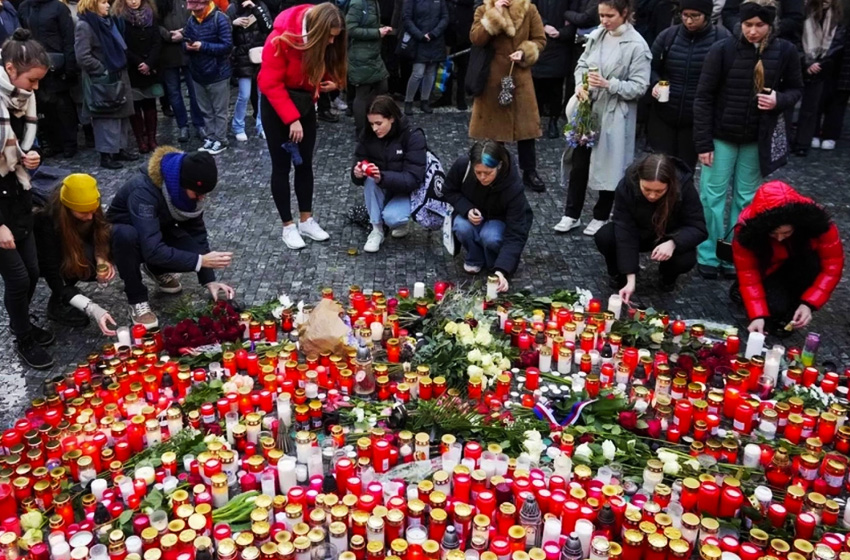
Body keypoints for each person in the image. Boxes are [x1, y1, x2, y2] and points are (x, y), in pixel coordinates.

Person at [692, 0, 802, 280]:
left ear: (770, 26)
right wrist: (703, 143)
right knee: (711, 197)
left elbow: (796, 89)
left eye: (759, 25)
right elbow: (704, 97)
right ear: (740, 24)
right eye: (748, 25)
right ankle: (707, 253)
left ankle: (735, 254)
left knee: (746, 200)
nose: (753, 31)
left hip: (756, 139)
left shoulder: (786, 51)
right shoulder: (723, 49)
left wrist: (779, 100)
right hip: (721, 137)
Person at [107, 146, 235, 328]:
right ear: (182, 184)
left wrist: (209, 280)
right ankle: (136, 300)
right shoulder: (142, 191)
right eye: (198, 194)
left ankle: (156, 269)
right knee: (127, 237)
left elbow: (196, 231)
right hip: (124, 239)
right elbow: (151, 248)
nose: (201, 198)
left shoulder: (182, 190)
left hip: (155, 230)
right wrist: (200, 261)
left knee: (191, 249)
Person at [554, 0, 651, 235]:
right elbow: (582, 64)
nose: (604, 21)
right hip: (589, 110)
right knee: (579, 162)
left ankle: (601, 215)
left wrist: (610, 85)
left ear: (625, 13)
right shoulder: (598, 34)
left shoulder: (637, 45)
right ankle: (571, 213)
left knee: (610, 164)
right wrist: (580, 85)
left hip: (615, 113)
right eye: (601, 15)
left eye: (609, 16)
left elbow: (640, 86)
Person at [258, 3, 346, 249]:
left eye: (334, 37)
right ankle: (288, 226)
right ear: (317, 29)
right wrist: (291, 119)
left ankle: (306, 220)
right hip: (277, 107)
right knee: (281, 166)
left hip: (304, 103)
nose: (330, 42)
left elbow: (311, 68)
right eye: (328, 36)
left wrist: (324, 82)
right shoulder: (279, 39)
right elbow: (269, 83)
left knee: (305, 164)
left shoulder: (318, 39)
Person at [0, 30, 54, 369]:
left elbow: (26, 147)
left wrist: (33, 156)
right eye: (32, 81)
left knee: (32, 271)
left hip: (18, 195)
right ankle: (22, 336)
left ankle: (22, 322)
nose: (35, 89)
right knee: (18, 278)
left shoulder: (23, 102)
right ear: (9, 69)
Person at [732, 181, 844, 334]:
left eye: (786, 233)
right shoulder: (747, 230)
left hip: (801, 266)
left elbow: (832, 266)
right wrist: (758, 315)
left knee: (811, 266)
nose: (779, 239)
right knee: (774, 308)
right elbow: (748, 272)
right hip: (767, 269)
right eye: (773, 234)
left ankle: (793, 308)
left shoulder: (819, 225)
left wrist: (808, 304)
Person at [594, 153, 708, 303]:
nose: (652, 196)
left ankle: (667, 276)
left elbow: (698, 227)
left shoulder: (684, 188)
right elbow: (625, 229)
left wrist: (673, 242)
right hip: (638, 233)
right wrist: (630, 277)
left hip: (668, 235)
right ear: (639, 181)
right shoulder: (626, 186)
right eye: (646, 189)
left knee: (685, 259)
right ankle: (618, 273)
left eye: (659, 191)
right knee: (606, 236)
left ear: (670, 185)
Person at [468, 0, 547, 193]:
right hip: (492, 78)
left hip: (519, 77)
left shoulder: (529, 9)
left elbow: (540, 39)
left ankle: (529, 171)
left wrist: (524, 52)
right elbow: (476, 38)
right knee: (494, 130)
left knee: (526, 129)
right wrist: (494, 14)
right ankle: (494, 169)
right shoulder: (483, 9)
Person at [646, 0, 729, 168]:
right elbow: (650, 68)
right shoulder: (668, 36)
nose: (689, 21)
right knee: (661, 168)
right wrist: (654, 83)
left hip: (696, 119)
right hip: (664, 114)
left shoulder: (722, 40)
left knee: (685, 170)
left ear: (706, 15)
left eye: (695, 16)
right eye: (685, 15)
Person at [443, 140, 533, 292]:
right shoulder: (462, 165)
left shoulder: (513, 187)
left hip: (499, 221)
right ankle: (475, 256)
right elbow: (449, 190)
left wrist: (502, 270)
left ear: (499, 167)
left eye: (488, 173)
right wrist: (467, 209)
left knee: (491, 236)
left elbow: (516, 233)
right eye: (478, 173)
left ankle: (494, 263)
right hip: (473, 214)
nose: (482, 178)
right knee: (460, 225)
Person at [34, 174, 117, 335]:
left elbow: (100, 230)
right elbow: (51, 269)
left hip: (72, 249)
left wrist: (102, 260)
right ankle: (60, 300)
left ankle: (69, 289)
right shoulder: (46, 220)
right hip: (42, 256)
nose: (90, 217)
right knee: (71, 266)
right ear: (68, 209)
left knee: (88, 261)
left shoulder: (89, 208)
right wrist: (92, 308)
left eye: (93, 211)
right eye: (83, 213)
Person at [351, 95, 426, 253]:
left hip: (407, 191)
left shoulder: (413, 136)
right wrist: (357, 173)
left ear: (391, 118)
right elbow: (358, 163)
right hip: (381, 186)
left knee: (393, 218)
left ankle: (400, 222)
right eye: (371, 124)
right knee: (369, 179)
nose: (374, 129)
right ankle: (376, 230)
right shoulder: (368, 135)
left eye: (379, 123)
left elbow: (414, 178)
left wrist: (382, 177)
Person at [76, 0, 140, 169]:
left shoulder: (107, 22)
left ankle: (119, 149)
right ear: (92, 4)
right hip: (103, 79)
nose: (107, 5)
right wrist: (102, 69)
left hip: (118, 73)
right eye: (103, 2)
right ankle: (106, 155)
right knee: (106, 117)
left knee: (121, 114)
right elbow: (82, 56)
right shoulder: (85, 25)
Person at [19, 0, 80, 158]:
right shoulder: (24, 7)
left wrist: (69, 66)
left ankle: (69, 143)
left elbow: (68, 38)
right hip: (34, 65)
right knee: (43, 108)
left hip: (57, 65)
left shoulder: (58, 7)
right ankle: (54, 144)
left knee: (62, 106)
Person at [792, 0, 844, 155]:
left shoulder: (838, 14)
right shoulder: (805, 10)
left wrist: (821, 63)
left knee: (811, 106)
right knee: (788, 104)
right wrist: (806, 61)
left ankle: (802, 143)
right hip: (800, 61)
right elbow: (795, 35)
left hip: (824, 64)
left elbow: (838, 41)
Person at [114, 0, 163, 154]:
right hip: (132, 67)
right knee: (135, 106)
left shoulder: (151, 14)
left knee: (150, 104)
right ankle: (140, 140)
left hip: (151, 67)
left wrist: (149, 63)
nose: (134, 1)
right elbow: (121, 45)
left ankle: (152, 138)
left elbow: (157, 41)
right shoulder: (119, 18)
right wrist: (139, 63)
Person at [184, 0, 233, 154]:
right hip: (198, 73)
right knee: (206, 110)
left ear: (206, 5)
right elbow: (186, 38)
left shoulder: (221, 19)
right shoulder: (191, 20)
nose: (195, 12)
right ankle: (211, 138)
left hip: (218, 73)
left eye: (198, 10)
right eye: (194, 10)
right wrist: (186, 46)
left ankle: (221, 140)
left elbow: (227, 46)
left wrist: (203, 46)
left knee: (219, 111)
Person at [157, 0, 206, 143]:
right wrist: (168, 35)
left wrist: (183, 33)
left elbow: (197, 18)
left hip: (188, 51)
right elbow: (154, 23)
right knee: (174, 93)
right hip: (167, 53)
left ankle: (199, 124)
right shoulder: (158, 4)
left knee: (194, 91)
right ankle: (182, 125)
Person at [228, 0, 272, 141]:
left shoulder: (260, 5)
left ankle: (262, 125)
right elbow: (223, 31)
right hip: (242, 57)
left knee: (262, 94)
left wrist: (256, 9)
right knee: (244, 94)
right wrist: (233, 24)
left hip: (260, 55)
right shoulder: (232, 8)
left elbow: (268, 26)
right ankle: (238, 126)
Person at [347, 0, 391, 137]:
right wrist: (377, 32)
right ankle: (361, 132)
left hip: (373, 55)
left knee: (382, 86)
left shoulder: (373, 3)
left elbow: (370, 24)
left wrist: (381, 29)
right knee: (362, 93)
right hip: (361, 56)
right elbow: (351, 29)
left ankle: (372, 120)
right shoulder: (358, 4)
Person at [531, 0, 574, 139]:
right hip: (539, 42)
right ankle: (535, 121)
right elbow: (530, 9)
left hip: (559, 46)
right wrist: (543, 25)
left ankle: (553, 122)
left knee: (556, 88)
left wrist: (561, 33)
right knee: (537, 86)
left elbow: (574, 16)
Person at [402, 0, 448, 115]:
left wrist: (434, 33)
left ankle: (425, 100)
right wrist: (419, 35)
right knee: (417, 73)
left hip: (435, 40)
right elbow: (407, 18)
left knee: (431, 72)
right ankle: (408, 101)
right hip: (418, 40)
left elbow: (445, 17)